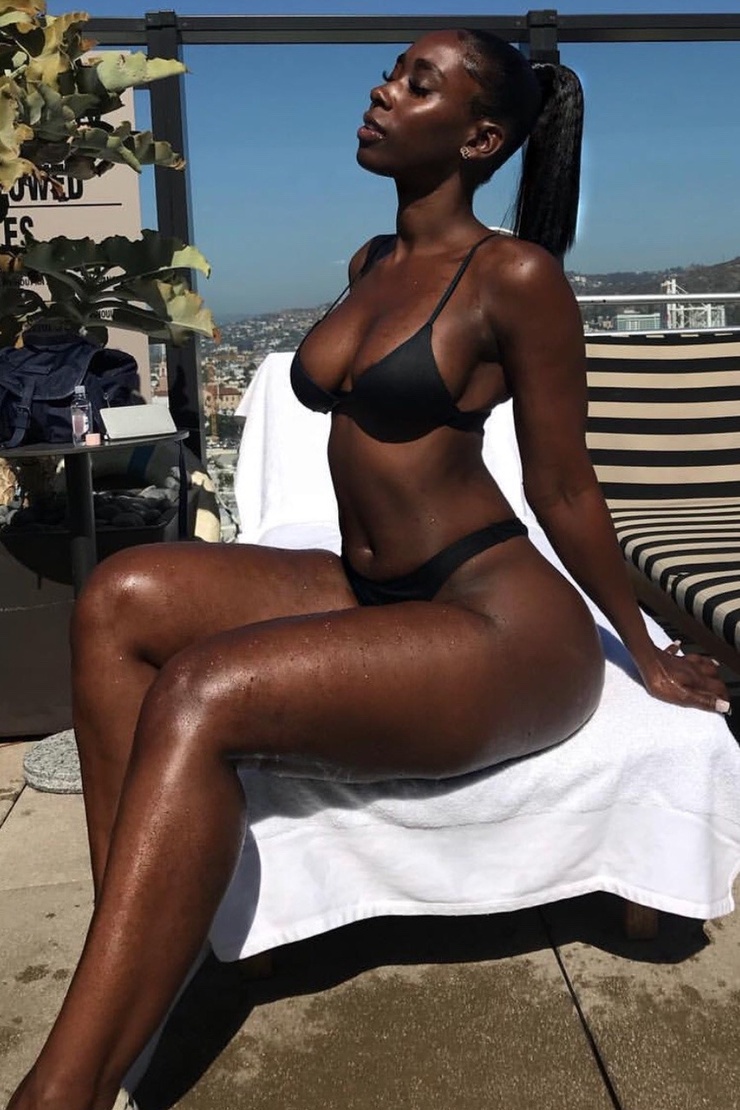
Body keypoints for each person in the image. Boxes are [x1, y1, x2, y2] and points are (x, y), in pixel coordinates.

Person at [7, 27, 729, 1110]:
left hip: (500, 621)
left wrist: (644, 649)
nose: (383, 92)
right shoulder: (371, 262)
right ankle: (139, 957)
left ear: (479, 138)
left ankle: (58, 1092)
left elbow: (565, 487)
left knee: (202, 690)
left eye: (417, 84)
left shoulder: (515, 277)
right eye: (391, 71)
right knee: (118, 597)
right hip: (372, 583)